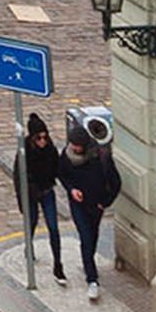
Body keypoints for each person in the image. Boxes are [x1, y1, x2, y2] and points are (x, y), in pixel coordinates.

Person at [57, 123, 122, 301]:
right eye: (72, 144)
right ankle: (92, 280)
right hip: (78, 205)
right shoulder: (67, 155)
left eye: (77, 146)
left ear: (85, 145)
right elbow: (62, 174)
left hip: (96, 206)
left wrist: (105, 203)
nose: (74, 148)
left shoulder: (101, 157)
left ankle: (88, 263)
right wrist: (71, 190)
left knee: (92, 238)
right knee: (86, 238)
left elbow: (116, 183)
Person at [20, 113, 66, 286]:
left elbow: (58, 170)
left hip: (47, 192)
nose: (43, 141)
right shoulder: (24, 151)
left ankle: (58, 264)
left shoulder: (51, 150)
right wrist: (25, 198)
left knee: (53, 227)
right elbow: (20, 178)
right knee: (31, 222)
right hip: (31, 194)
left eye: (45, 137)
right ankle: (28, 246)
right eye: (39, 138)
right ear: (32, 138)